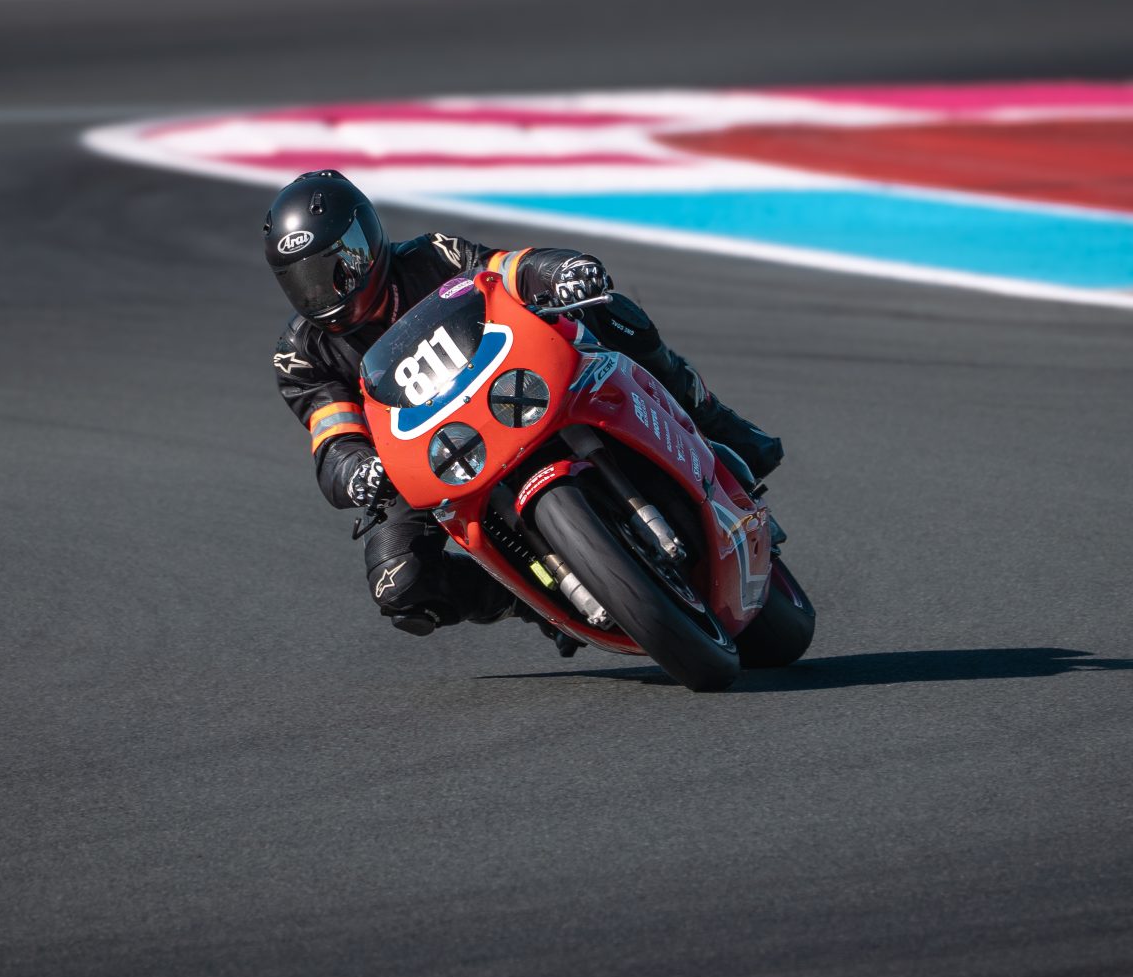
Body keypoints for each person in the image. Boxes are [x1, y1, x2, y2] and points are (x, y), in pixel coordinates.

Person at [267, 169, 782, 643]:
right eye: (301, 282)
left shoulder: (431, 256)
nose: (320, 294)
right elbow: (333, 439)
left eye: (332, 271)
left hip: (511, 390)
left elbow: (506, 270)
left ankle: (714, 421)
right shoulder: (301, 355)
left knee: (609, 311)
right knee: (398, 581)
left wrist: (560, 270)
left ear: (364, 245)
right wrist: (357, 471)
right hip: (426, 460)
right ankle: (533, 598)